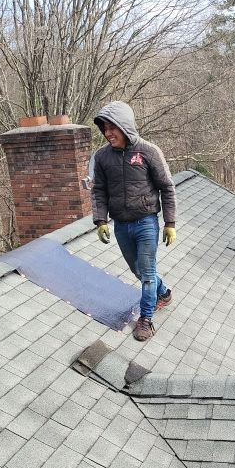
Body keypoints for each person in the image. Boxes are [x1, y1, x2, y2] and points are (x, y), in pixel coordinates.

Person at [91, 101, 177, 341]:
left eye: (112, 128)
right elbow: (98, 190)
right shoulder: (102, 157)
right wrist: (101, 220)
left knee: (147, 272)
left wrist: (170, 224)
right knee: (138, 270)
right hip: (121, 225)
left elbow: (167, 188)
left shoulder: (149, 152)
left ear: (125, 126)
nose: (108, 133)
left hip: (146, 223)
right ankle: (164, 292)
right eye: (104, 129)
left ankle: (146, 319)